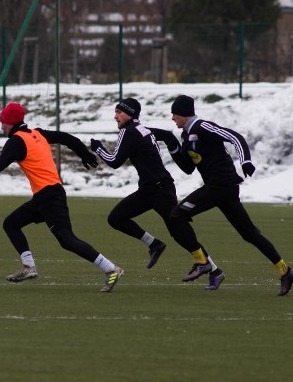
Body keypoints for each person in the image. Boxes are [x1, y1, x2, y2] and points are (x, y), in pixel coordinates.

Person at [0, 102, 125, 293]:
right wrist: (84, 153)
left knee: (67, 240)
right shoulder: (37, 133)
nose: (1, 126)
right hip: (44, 196)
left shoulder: (16, 141)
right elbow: (67, 138)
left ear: (9, 122)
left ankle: (111, 269)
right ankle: (28, 267)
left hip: (50, 197)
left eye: (2, 122)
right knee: (11, 223)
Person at [164, 95, 293, 296]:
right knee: (249, 233)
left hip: (221, 186)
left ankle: (203, 263)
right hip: (219, 188)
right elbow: (188, 168)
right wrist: (171, 145)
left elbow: (236, 137)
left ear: (184, 113)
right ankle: (285, 271)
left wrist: (245, 161)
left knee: (177, 216)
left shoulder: (203, 126)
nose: (172, 118)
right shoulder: (186, 136)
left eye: (174, 113)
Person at [89, 97, 226, 289]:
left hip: (159, 188)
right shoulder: (140, 129)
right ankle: (154, 244)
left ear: (129, 114)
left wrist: (98, 148)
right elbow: (166, 135)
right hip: (149, 189)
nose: (115, 116)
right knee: (116, 218)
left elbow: (114, 161)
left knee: (179, 231)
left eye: (119, 112)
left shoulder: (129, 132)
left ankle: (213, 269)